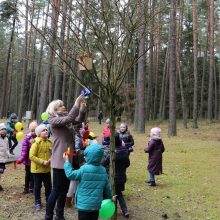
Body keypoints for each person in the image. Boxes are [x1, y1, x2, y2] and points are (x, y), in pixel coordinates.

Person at [45, 95, 86, 220]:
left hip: (69, 160)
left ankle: (60, 215)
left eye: (63, 105)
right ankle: (48, 216)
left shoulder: (66, 120)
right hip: (59, 161)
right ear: (55, 109)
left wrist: (82, 109)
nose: (63, 107)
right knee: (56, 190)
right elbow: (70, 118)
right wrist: (76, 104)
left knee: (64, 190)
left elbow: (77, 120)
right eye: (61, 106)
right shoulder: (53, 120)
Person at [63, 143, 113, 220]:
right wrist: (110, 198)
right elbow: (107, 188)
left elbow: (70, 174)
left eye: (86, 156)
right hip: (96, 206)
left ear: (89, 157)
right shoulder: (103, 170)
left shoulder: (83, 169)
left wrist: (66, 162)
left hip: (83, 206)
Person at [103, 133, 130, 218]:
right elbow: (127, 164)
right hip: (122, 177)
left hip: (112, 177)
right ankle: (125, 210)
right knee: (119, 193)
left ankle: (109, 210)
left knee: (110, 194)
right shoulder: (125, 151)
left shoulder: (111, 154)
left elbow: (104, 163)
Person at [29, 124, 52, 210]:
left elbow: (52, 153)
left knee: (48, 186)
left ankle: (49, 200)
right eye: (43, 130)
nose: (46, 131)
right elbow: (31, 156)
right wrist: (43, 162)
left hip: (47, 170)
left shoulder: (50, 142)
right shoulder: (36, 143)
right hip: (37, 170)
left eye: (46, 130)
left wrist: (51, 159)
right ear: (38, 133)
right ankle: (37, 201)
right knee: (37, 187)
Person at [16, 121, 38, 194]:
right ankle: (26, 188)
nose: (33, 132)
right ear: (30, 130)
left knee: (34, 175)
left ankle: (33, 187)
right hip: (28, 161)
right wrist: (20, 159)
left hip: (35, 161)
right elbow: (24, 150)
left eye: (35, 130)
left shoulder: (39, 138)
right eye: (32, 130)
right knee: (28, 174)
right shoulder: (27, 138)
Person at [0, 123, 13, 192]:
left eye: (5, 129)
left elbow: (7, 148)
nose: (3, 130)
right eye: (2, 129)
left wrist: (9, 154)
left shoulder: (6, 139)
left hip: (3, 160)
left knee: (1, 172)